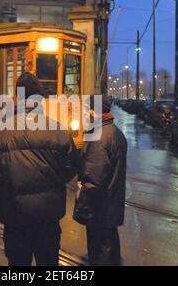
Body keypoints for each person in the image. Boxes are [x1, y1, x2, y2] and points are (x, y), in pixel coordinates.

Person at [0, 72, 79, 266]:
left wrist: (6, 179)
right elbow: (72, 167)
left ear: (17, 97)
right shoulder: (59, 130)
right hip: (48, 220)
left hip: (15, 219)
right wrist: (53, 179)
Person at [73, 94, 127, 266]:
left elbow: (93, 181)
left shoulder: (97, 136)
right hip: (110, 208)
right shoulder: (116, 133)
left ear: (93, 112)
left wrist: (82, 205)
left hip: (99, 212)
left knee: (100, 254)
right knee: (111, 249)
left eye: (87, 110)